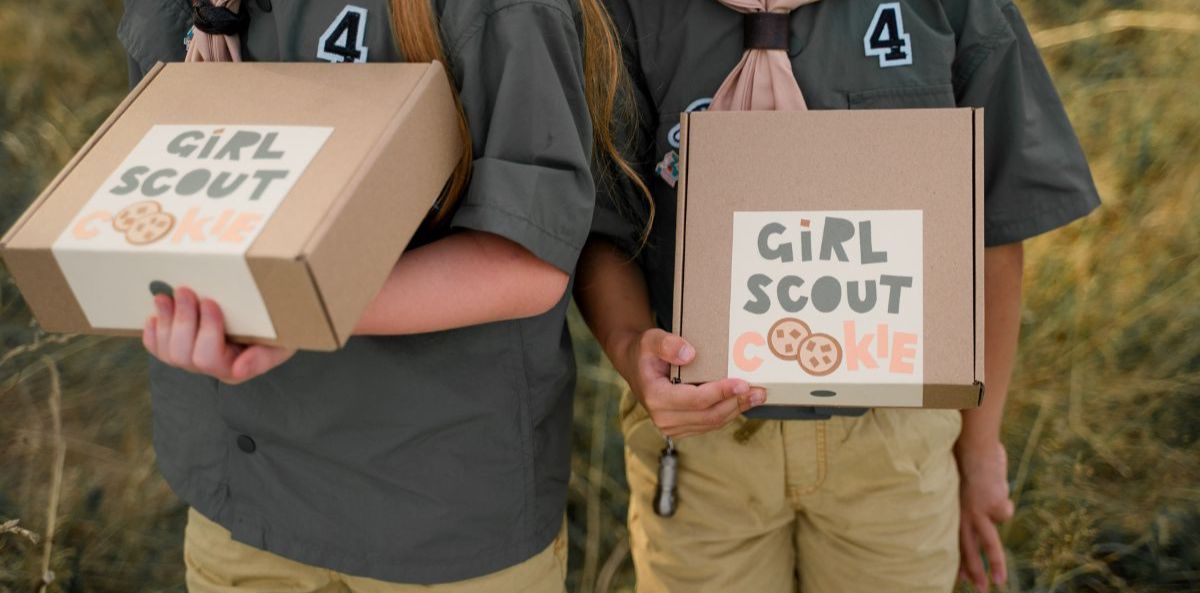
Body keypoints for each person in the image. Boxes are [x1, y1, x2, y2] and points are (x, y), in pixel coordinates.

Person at [575, 0, 1101, 591]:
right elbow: (603, 221)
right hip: (701, 443)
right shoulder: (620, 13)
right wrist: (629, 351)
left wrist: (979, 450)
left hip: (896, 438)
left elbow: (995, 230)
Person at [121, 0, 645, 591]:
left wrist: (294, 307)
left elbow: (527, 260)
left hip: (437, 518)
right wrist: (180, 298)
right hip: (244, 507)